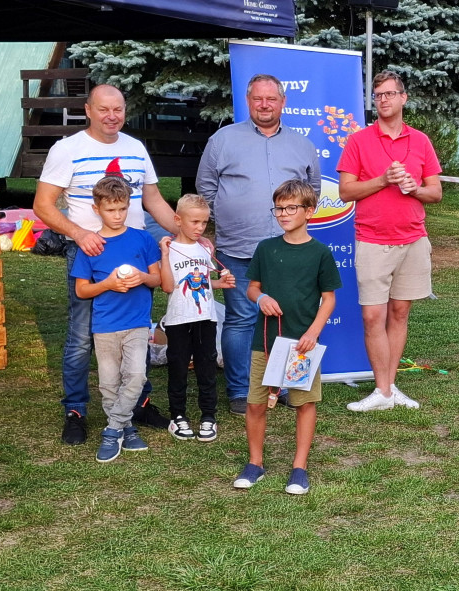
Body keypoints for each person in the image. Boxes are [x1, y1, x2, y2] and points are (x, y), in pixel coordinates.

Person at [33, 84, 178, 446]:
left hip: (135, 252)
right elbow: (43, 205)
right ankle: (76, 410)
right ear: (88, 110)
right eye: (104, 109)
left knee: (135, 330)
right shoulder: (68, 149)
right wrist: (80, 234)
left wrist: (186, 231)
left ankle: (137, 403)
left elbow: (153, 198)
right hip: (91, 252)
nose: (112, 116)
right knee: (83, 337)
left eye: (118, 109)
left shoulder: (135, 147)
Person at [196, 73, 320, 417]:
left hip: (287, 250)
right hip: (238, 247)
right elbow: (205, 186)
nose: (264, 105)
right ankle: (239, 391)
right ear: (248, 101)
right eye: (257, 99)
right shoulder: (223, 140)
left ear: (283, 102)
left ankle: (278, 386)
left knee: (287, 319)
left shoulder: (301, 143)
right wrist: (222, 220)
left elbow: (312, 189)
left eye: (271, 99)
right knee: (240, 319)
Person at [337, 70, 443, 412]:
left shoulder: (421, 141)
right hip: (372, 239)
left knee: (399, 314)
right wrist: (383, 180)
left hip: (413, 239)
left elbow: (436, 193)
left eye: (389, 94)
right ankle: (382, 391)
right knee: (372, 317)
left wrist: (415, 189)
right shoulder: (359, 141)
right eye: (377, 95)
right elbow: (345, 191)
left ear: (403, 98)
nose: (383, 100)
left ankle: (389, 386)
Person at [232, 180, 341, 495]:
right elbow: (252, 287)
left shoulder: (319, 253)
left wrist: (312, 332)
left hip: (302, 346)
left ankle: (299, 468)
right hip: (265, 341)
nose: (283, 213)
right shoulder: (266, 248)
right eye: (279, 208)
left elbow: (329, 298)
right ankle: (255, 463)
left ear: (309, 211)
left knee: (303, 403)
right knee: (255, 403)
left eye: (291, 207)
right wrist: (260, 298)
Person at [70, 176, 162, 462]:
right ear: (97, 209)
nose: (118, 215)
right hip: (105, 325)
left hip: (136, 323)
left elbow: (157, 277)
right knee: (108, 384)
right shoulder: (92, 246)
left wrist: (142, 278)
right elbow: (82, 289)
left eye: (122, 208)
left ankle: (112, 430)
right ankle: (128, 428)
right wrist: (108, 284)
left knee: (135, 375)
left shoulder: (142, 238)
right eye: (111, 210)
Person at [158, 195, 236, 442]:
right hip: (178, 320)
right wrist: (163, 254)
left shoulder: (205, 247)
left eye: (204, 222)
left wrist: (219, 283)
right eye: (194, 222)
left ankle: (208, 417)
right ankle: (178, 416)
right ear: (178, 220)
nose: (200, 228)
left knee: (206, 366)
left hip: (206, 317)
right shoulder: (169, 248)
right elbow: (168, 286)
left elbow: (201, 281)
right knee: (178, 368)